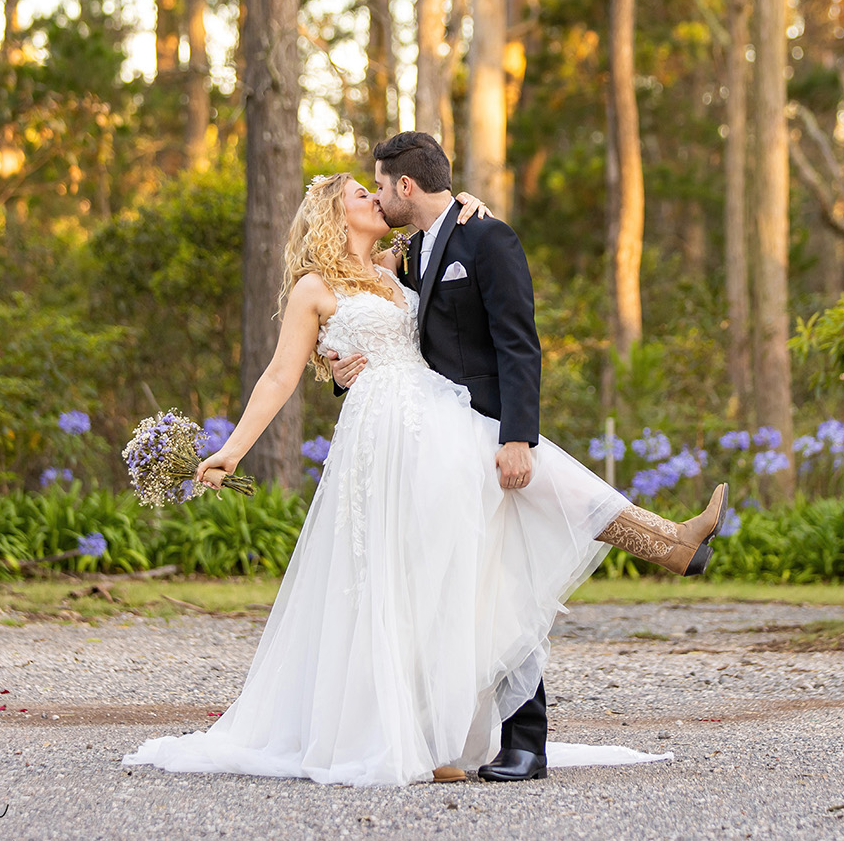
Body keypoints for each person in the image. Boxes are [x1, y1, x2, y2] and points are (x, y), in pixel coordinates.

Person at [122, 160, 724, 788]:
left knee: (486, 530)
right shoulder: (313, 288)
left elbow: (441, 252)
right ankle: (425, 738)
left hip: (440, 410)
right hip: (383, 433)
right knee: (409, 576)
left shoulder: (396, 265)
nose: (375, 199)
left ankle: (668, 543)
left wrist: (463, 202)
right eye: (362, 194)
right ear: (336, 213)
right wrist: (233, 450)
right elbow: (280, 375)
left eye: (377, 187)